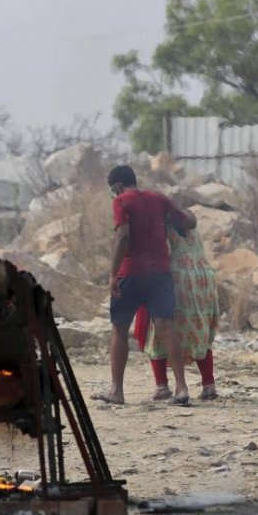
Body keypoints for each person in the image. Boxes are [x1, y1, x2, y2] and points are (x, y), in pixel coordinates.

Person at [92, 165, 197, 405]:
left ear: (117, 187)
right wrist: (192, 215)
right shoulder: (158, 199)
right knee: (166, 327)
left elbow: (123, 236)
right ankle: (181, 388)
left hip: (130, 274)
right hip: (160, 273)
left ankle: (116, 391)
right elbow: (186, 222)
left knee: (119, 328)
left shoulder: (121, 202)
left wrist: (113, 274)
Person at [133, 224, 219, 401]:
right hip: (202, 276)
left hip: (175, 278)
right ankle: (208, 384)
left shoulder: (162, 222)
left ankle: (162, 385)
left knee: (157, 332)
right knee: (199, 331)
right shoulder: (188, 219)